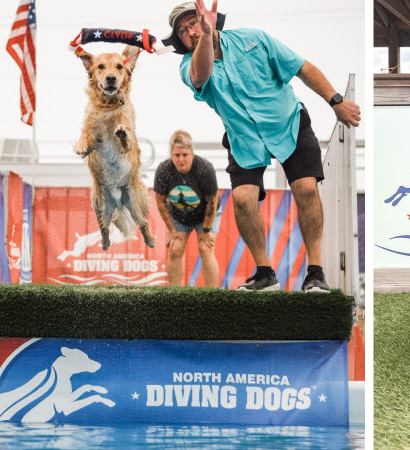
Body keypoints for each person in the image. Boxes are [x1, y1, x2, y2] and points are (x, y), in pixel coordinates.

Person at [162, 1, 362, 292]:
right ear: (179, 40)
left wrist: (336, 102)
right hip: (243, 137)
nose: (190, 30)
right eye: (182, 30)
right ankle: (265, 273)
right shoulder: (187, 67)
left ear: (213, 19)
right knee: (243, 199)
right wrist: (205, 36)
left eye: (195, 22)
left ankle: (315, 273)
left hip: (289, 123)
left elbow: (302, 67)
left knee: (306, 188)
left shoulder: (254, 38)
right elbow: (201, 76)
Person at [154, 130, 221, 287]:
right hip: (179, 215)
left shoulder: (205, 168)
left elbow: (212, 202)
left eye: (185, 154)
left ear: (192, 153)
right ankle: (175, 294)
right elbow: (160, 202)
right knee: (175, 248)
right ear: (171, 154)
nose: (181, 159)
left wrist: (205, 230)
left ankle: (212, 295)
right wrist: (171, 229)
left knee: (205, 247)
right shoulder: (164, 170)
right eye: (177, 155)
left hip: (206, 213)